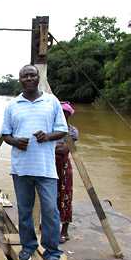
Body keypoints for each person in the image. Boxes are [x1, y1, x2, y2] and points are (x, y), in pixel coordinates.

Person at [1, 64, 68, 260]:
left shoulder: (51, 101)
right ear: (20, 80)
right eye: (24, 76)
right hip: (21, 168)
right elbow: (5, 134)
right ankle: (28, 247)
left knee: (50, 211)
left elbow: (62, 130)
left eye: (32, 75)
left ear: (38, 78)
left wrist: (48, 136)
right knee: (24, 211)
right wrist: (15, 142)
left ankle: (52, 253)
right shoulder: (13, 105)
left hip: (46, 168)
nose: (28, 78)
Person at [55, 102, 78, 244]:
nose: (62, 116)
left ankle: (64, 230)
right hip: (50, 167)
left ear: (69, 115)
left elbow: (64, 149)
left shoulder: (72, 131)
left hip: (64, 167)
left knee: (66, 197)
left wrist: (54, 147)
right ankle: (47, 227)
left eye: (65, 113)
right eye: (60, 113)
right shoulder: (51, 129)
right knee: (49, 196)